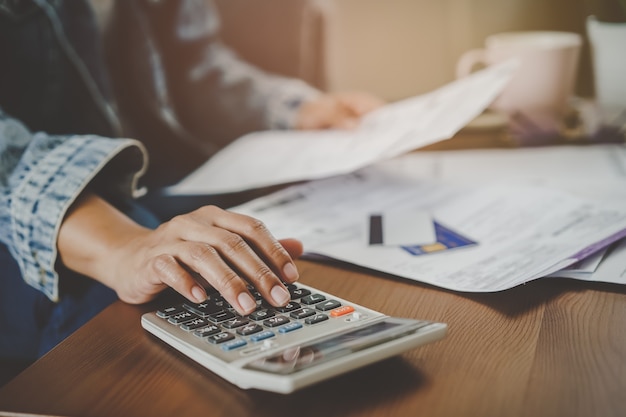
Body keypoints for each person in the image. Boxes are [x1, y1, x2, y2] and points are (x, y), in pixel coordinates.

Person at [0, 0, 383, 373]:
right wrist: (117, 246)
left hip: (156, 178)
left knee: (268, 247)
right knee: (146, 305)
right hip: (29, 215)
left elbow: (194, 68)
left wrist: (294, 109)